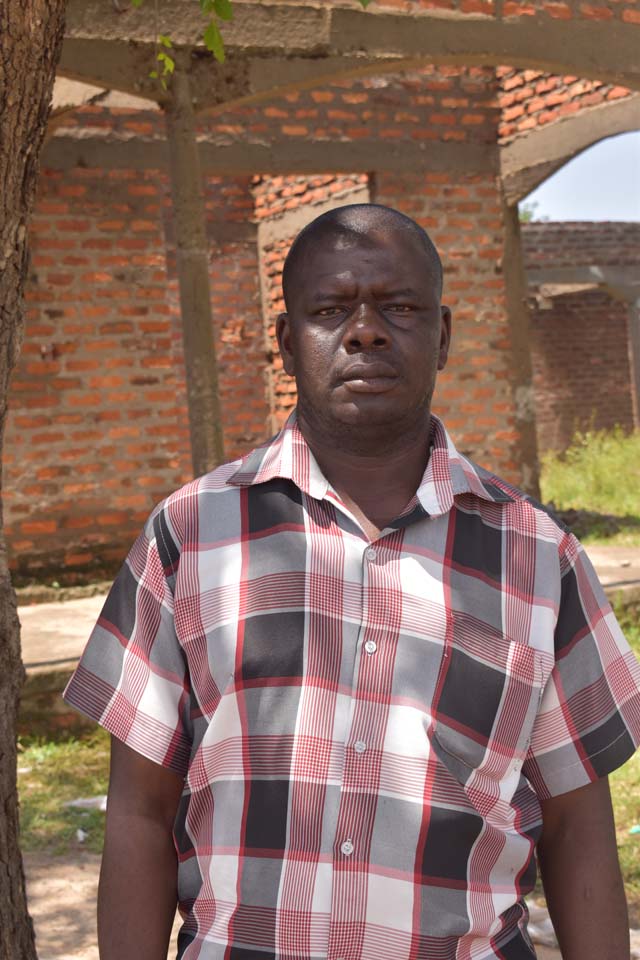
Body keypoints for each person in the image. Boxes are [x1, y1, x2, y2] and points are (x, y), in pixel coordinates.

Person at [64, 203, 640, 960]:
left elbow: (576, 828)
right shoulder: (190, 536)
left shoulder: (539, 558)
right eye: (331, 310)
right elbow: (140, 812)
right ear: (286, 343)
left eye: (399, 307)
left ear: (443, 336)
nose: (365, 331)